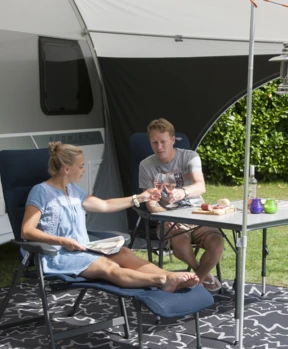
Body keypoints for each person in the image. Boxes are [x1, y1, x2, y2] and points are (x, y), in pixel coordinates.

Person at [21, 141, 200, 292]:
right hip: (57, 255)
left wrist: (139, 197)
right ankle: (162, 281)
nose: (84, 170)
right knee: (108, 266)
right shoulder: (41, 192)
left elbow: (105, 205)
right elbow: (26, 231)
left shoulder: (73, 190)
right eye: (81, 166)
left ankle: (168, 275)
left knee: (124, 253)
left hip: (82, 250)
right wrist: (62, 241)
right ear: (67, 169)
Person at [139, 118, 224, 293]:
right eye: (154, 142)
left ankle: (196, 281)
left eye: (163, 141)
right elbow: (151, 204)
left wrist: (183, 192)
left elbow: (200, 186)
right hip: (170, 218)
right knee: (179, 239)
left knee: (217, 243)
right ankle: (202, 276)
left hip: (196, 214)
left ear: (172, 140)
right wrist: (167, 217)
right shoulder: (146, 166)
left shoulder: (190, 157)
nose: (159, 147)